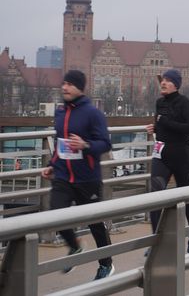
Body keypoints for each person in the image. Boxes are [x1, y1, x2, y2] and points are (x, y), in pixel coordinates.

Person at [40, 70, 114, 280]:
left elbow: (105, 144)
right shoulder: (60, 113)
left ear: (80, 88)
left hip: (87, 178)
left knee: (95, 223)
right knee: (55, 213)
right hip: (63, 176)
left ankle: (106, 264)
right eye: (63, 83)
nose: (65, 87)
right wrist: (52, 164)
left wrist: (85, 145)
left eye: (70, 84)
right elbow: (59, 144)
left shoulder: (93, 114)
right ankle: (74, 246)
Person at [146, 69, 189, 253]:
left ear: (176, 85)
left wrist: (166, 123)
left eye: (168, 81)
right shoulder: (159, 102)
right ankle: (156, 242)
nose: (163, 83)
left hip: (182, 156)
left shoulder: (183, 102)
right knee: (155, 195)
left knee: (185, 198)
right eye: (163, 80)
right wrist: (154, 128)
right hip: (161, 155)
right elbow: (160, 124)